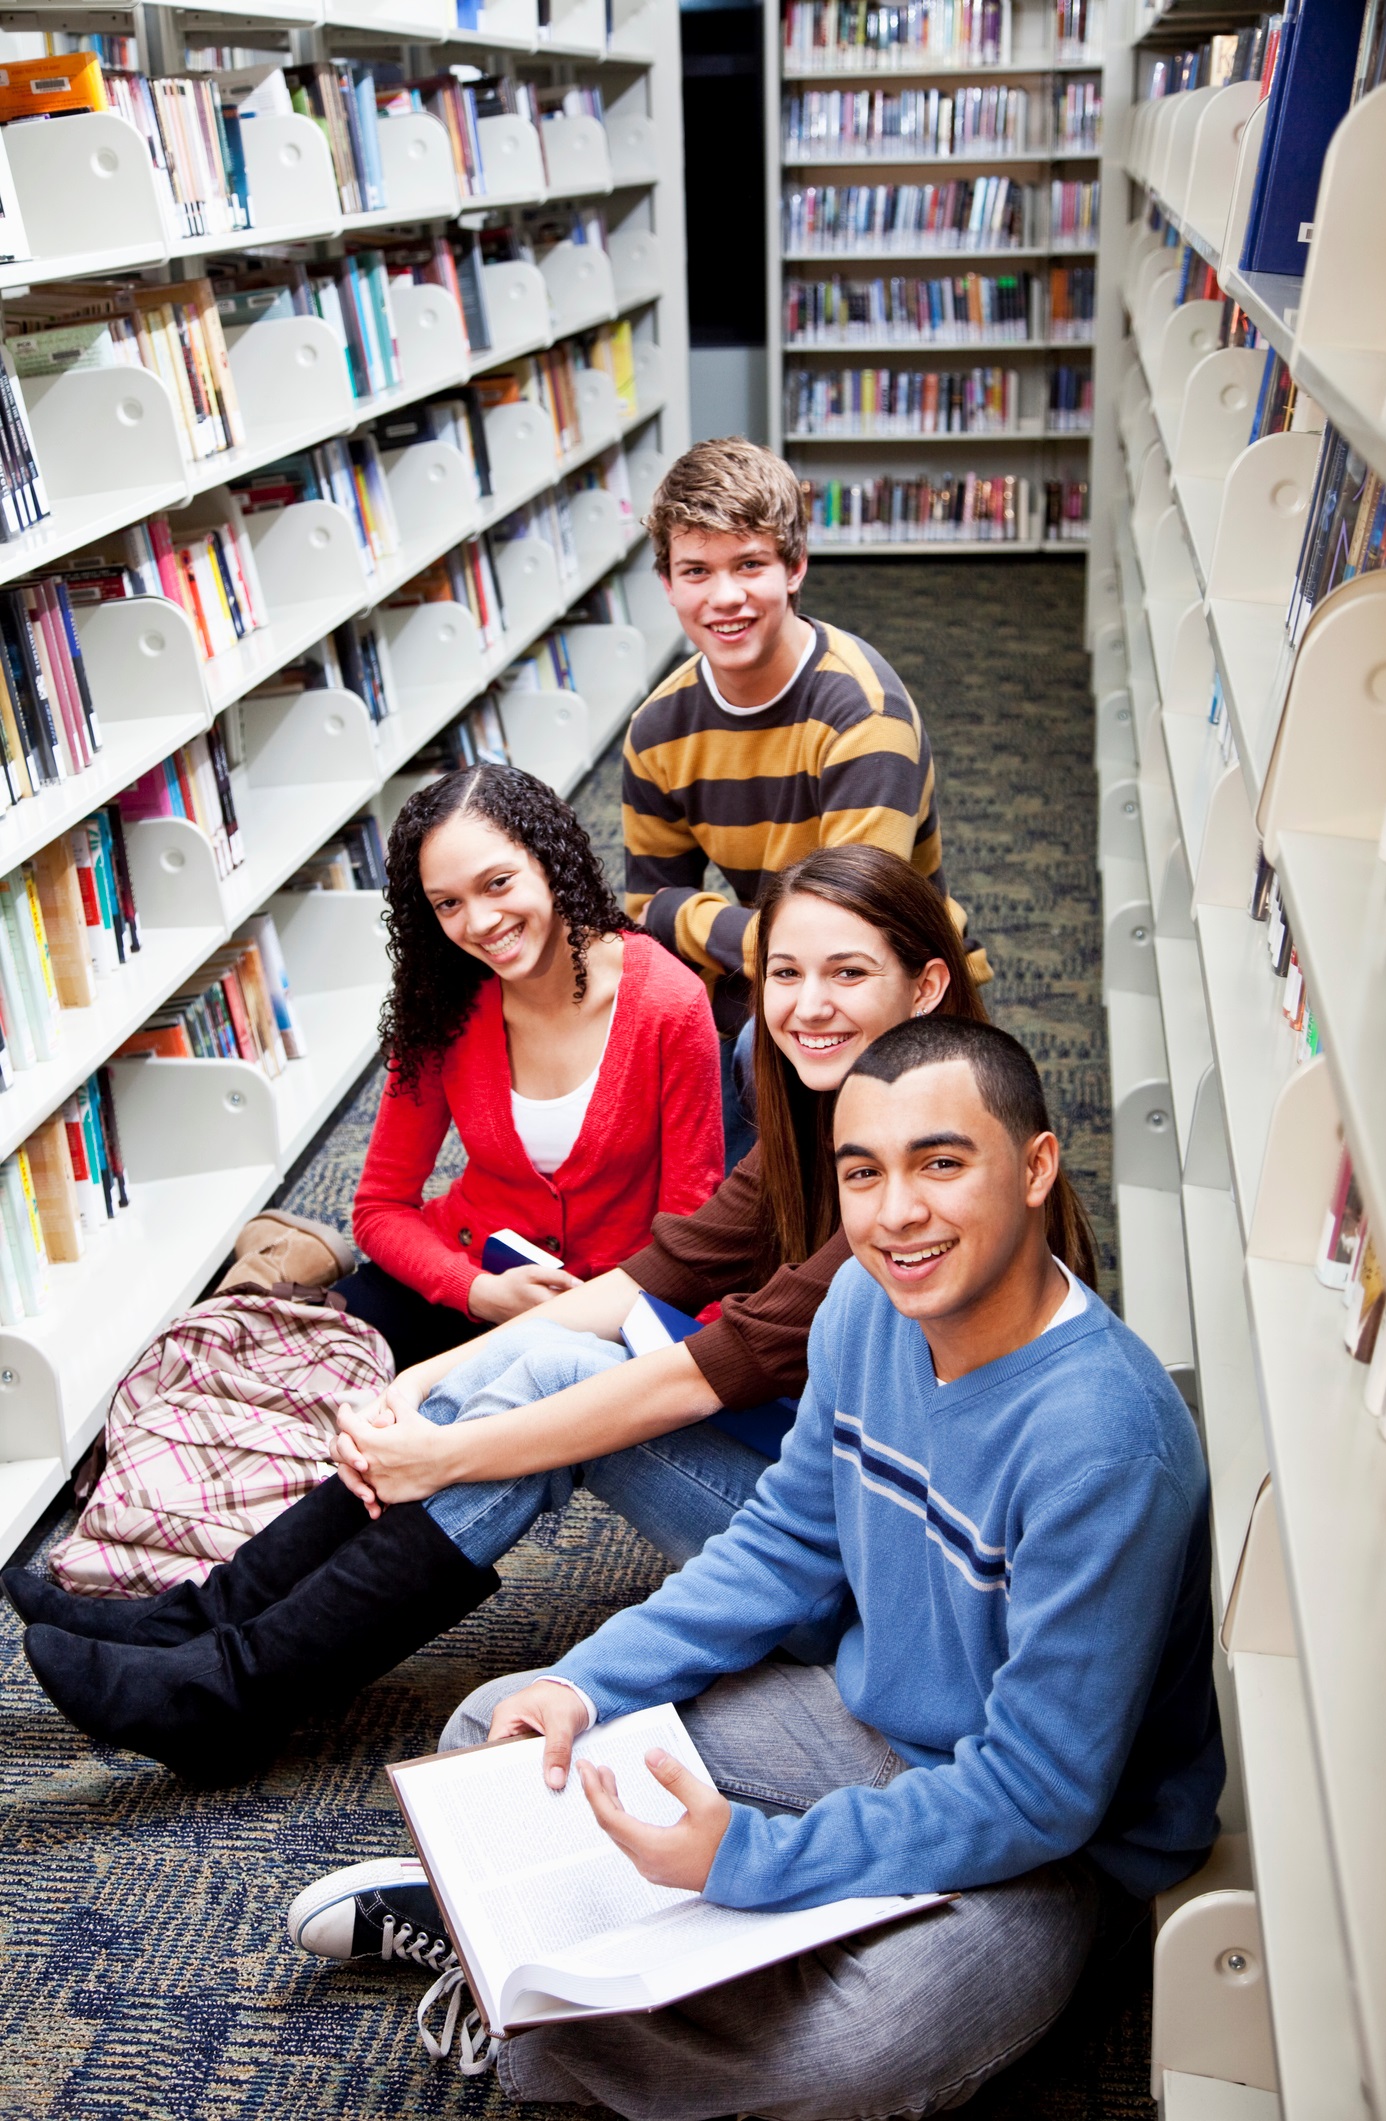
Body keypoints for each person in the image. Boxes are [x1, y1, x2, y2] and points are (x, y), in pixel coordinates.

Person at [297, 1017, 1222, 2118]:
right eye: (862, 1174)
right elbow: (781, 1544)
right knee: (495, 1736)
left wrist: (749, 1861)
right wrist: (579, 1685)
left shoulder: (1104, 1441)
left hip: (1052, 1848)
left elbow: (1040, 1792)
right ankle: (569, 1954)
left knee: (867, 2044)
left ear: (1033, 1168)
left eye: (941, 1163)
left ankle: (528, 1997)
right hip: (858, 1725)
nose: (898, 1214)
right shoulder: (863, 1307)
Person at [8, 854, 1045, 1793]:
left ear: (928, 985)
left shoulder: (923, 1182)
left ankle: (231, 1684)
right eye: (784, 973)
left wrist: (447, 1451)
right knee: (540, 1356)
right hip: (833, 1491)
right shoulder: (833, 1113)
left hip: (892, 1592)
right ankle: (207, 1627)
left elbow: (698, 1374)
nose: (808, 1007)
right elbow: (654, 1273)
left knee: (552, 1379)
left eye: (847, 975)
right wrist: (427, 1382)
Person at [622, 437, 984, 1165]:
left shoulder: (861, 712)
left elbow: (849, 935)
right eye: (697, 570)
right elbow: (645, 913)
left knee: (764, 1048)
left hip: (897, 978)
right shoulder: (659, 728)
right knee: (648, 1050)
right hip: (771, 974)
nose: (724, 597)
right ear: (667, 583)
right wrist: (727, 954)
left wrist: (711, 933)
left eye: (749, 564)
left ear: (795, 568)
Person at [330, 761, 723, 1371]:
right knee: (316, 1379)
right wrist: (478, 1292)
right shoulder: (444, 1002)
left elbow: (689, 1234)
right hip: (467, 1278)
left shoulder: (668, 1004)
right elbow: (379, 1209)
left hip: (608, 1310)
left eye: (498, 883)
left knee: (454, 1441)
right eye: (448, 903)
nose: (480, 923)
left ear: (549, 858)